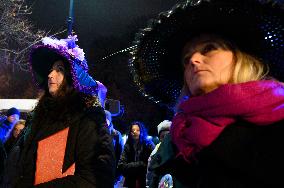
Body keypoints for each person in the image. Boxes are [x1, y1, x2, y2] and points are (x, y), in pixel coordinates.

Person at [130, 0, 284, 187]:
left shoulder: (278, 120)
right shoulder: (177, 137)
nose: (194, 60)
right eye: (186, 59)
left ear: (240, 57)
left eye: (209, 48)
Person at [0, 35, 115, 187]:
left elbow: (95, 177)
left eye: (59, 69)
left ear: (72, 76)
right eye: (50, 69)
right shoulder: (38, 115)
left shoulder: (89, 116)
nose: (50, 75)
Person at [118, 121, 155, 188]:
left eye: (138, 130)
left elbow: (151, 163)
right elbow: (121, 165)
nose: (135, 132)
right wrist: (140, 164)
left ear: (142, 132)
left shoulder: (148, 145)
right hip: (130, 180)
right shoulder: (127, 145)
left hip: (145, 180)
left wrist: (131, 166)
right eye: (133, 130)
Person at [146, 120, 171, 187]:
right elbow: (150, 173)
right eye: (163, 136)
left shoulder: (176, 150)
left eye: (168, 136)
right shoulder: (155, 152)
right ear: (159, 138)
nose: (165, 139)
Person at [104, 110, 124, 185]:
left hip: (111, 173)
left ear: (109, 120)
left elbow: (121, 155)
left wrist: (118, 175)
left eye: (105, 119)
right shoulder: (96, 132)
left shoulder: (116, 135)